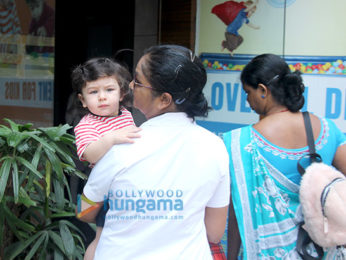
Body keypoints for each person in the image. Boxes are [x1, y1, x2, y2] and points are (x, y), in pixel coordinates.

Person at [76, 44, 230, 259]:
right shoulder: (215, 147)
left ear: (164, 100)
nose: (130, 85)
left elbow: (84, 211)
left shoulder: (122, 145)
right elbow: (214, 233)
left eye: (137, 81)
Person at [223, 54, 346, 259]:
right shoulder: (328, 129)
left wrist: (232, 256)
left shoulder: (239, 142)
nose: (247, 101)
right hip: (320, 252)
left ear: (263, 90)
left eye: (248, 93)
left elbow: (238, 210)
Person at [71, 57, 141, 260]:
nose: (102, 97)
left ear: (122, 93)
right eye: (93, 92)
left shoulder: (128, 115)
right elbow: (88, 153)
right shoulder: (86, 124)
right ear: (83, 100)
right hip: (104, 190)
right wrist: (110, 139)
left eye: (109, 90)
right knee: (101, 236)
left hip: (130, 186)